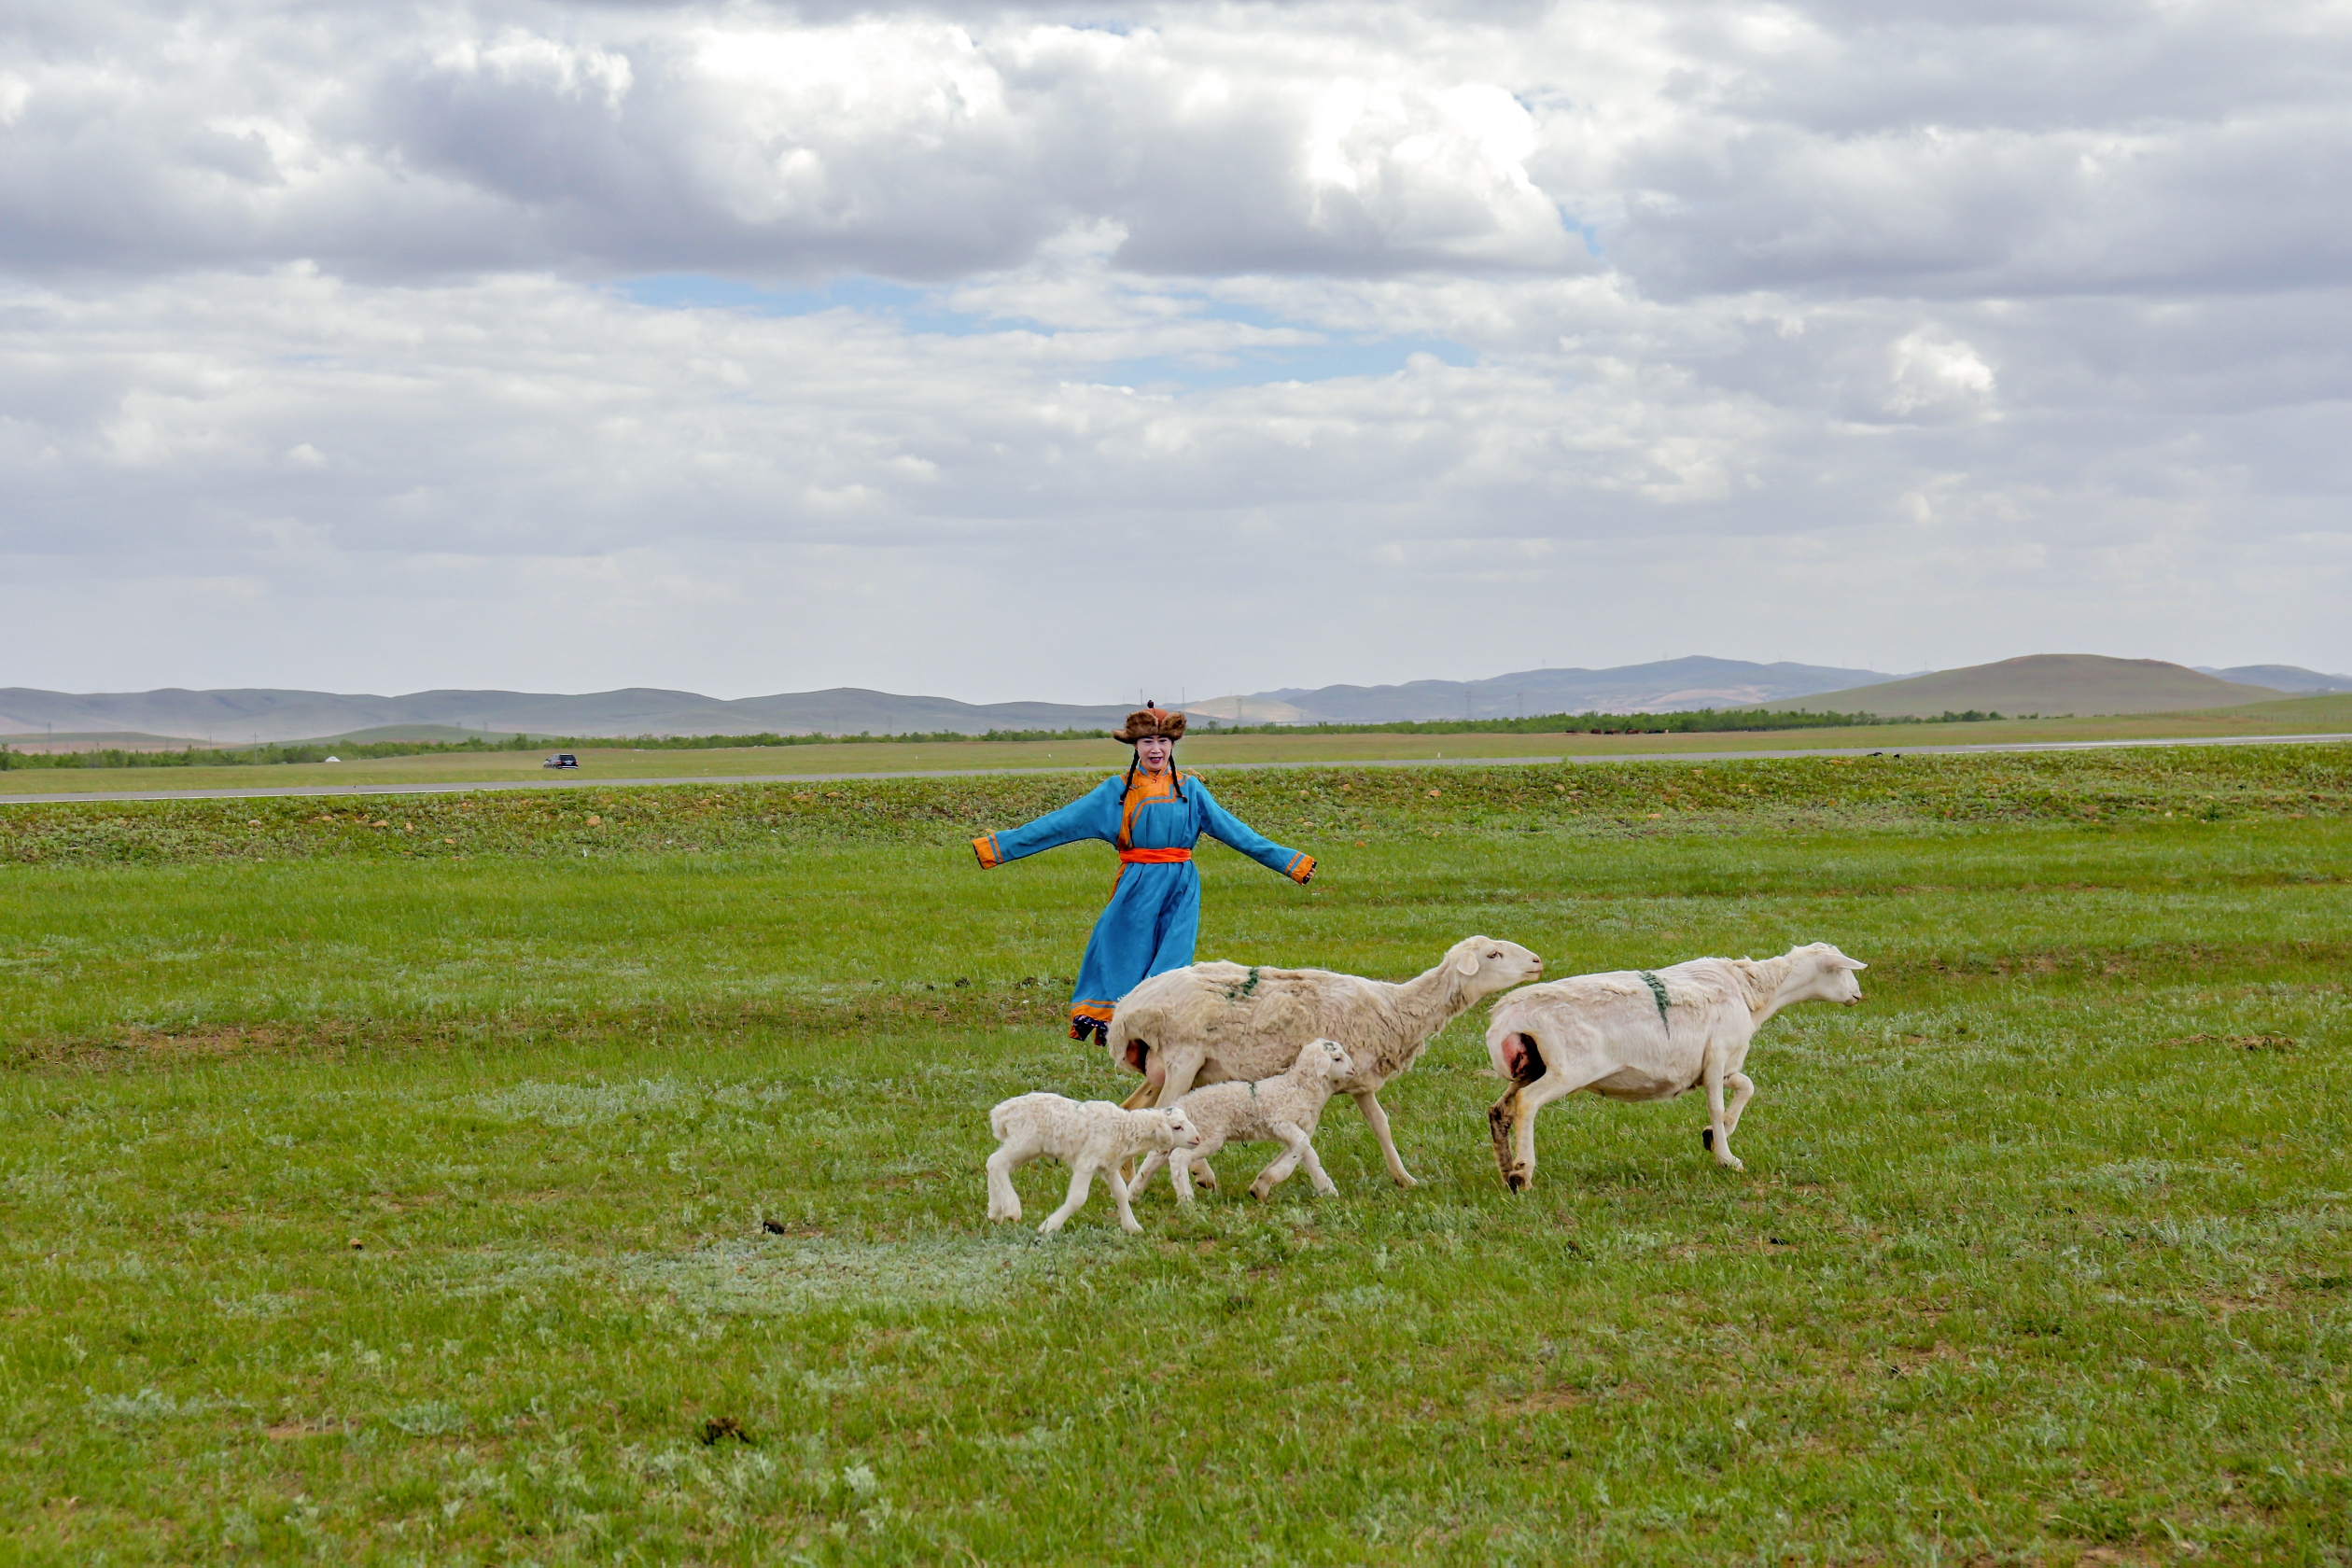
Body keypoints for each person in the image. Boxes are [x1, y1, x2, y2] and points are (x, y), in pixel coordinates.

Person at [972, 704, 1314, 1045]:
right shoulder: (1116, 792)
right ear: (1135, 745)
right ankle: (1122, 1024)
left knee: (1173, 960)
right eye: (1148, 741)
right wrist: (997, 848)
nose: (1156, 749)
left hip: (1181, 886)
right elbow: (1058, 825)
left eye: (1163, 741)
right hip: (1136, 884)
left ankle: (1161, 1029)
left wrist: (1291, 863)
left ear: (1173, 745)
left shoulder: (1190, 791)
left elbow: (1239, 834)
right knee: (1123, 951)